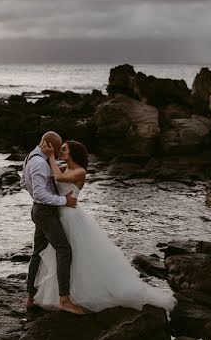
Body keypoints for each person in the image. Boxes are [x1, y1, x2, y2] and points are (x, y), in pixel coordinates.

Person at [32, 138, 176, 313]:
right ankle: (65, 294)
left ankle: (75, 295)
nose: (60, 151)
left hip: (71, 216)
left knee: (75, 254)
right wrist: (38, 159)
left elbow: (58, 177)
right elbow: (48, 174)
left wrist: (50, 156)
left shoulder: (79, 171)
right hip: (58, 214)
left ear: (72, 154)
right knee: (66, 254)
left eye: (63, 149)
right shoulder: (65, 166)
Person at [21, 131, 87, 314]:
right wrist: (62, 201)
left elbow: (24, 184)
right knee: (64, 250)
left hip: (44, 211)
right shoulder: (40, 162)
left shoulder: (31, 158)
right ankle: (64, 299)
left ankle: (30, 298)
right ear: (48, 145)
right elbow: (40, 192)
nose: (58, 153)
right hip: (46, 212)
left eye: (61, 150)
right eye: (58, 149)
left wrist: (39, 201)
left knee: (38, 252)